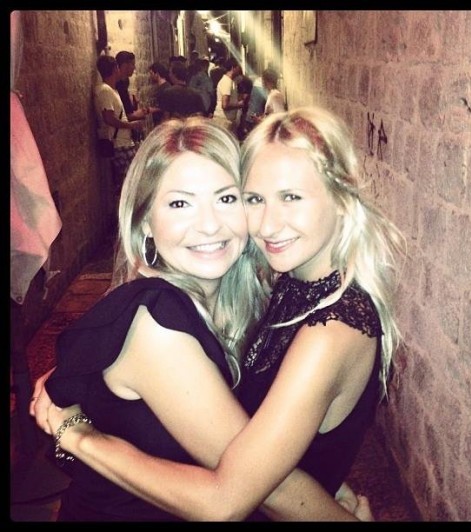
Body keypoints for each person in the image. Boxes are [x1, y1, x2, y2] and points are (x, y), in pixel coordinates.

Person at [35, 106, 405, 521]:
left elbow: (257, 452)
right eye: (180, 203)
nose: (210, 225)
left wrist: (80, 432)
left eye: (227, 198)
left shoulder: (283, 303)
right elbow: (232, 495)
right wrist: (77, 434)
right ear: (144, 222)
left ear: (342, 198)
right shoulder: (156, 320)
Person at [93, 54, 144, 195]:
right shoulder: (105, 91)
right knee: (132, 183)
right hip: (119, 144)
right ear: (114, 69)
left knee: (131, 181)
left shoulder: (111, 90)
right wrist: (131, 125)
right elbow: (109, 118)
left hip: (124, 142)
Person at [115, 51, 150, 143]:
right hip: (120, 137)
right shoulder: (117, 84)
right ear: (124, 65)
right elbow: (123, 115)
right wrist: (138, 114)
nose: (134, 67)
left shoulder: (125, 81)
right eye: (132, 64)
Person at [212, 57, 245, 135]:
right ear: (233, 68)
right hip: (223, 120)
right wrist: (239, 105)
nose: (239, 70)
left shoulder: (231, 81)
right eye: (238, 67)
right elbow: (225, 105)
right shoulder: (226, 82)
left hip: (229, 120)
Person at [147, 61, 171, 126]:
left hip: (163, 122)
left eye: (151, 73)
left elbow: (166, 107)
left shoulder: (166, 88)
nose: (150, 76)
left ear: (157, 74)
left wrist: (152, 109)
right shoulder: (161, 87)